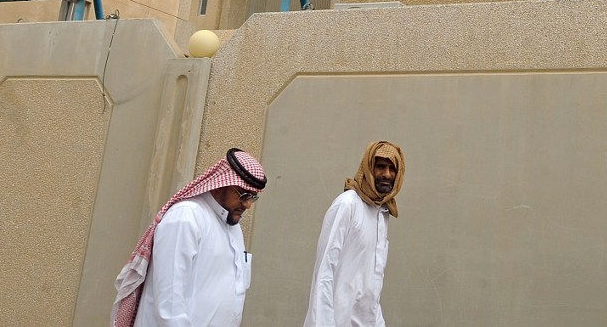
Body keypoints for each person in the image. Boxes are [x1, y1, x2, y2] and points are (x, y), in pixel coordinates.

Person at [111, 148, 267, 327]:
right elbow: (169, 307)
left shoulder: (233, 228)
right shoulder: (186, 217)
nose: (247, 204)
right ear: (221, 185)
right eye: (243, 195)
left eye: (252, 197)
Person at [303, 140, 406, 327]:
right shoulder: (347, 205)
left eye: (392, 169)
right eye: (381, 167)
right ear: (368, 168)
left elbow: (372, 281)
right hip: (336, 319)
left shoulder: (381, 214)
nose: (387, 174)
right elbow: (324, 272)